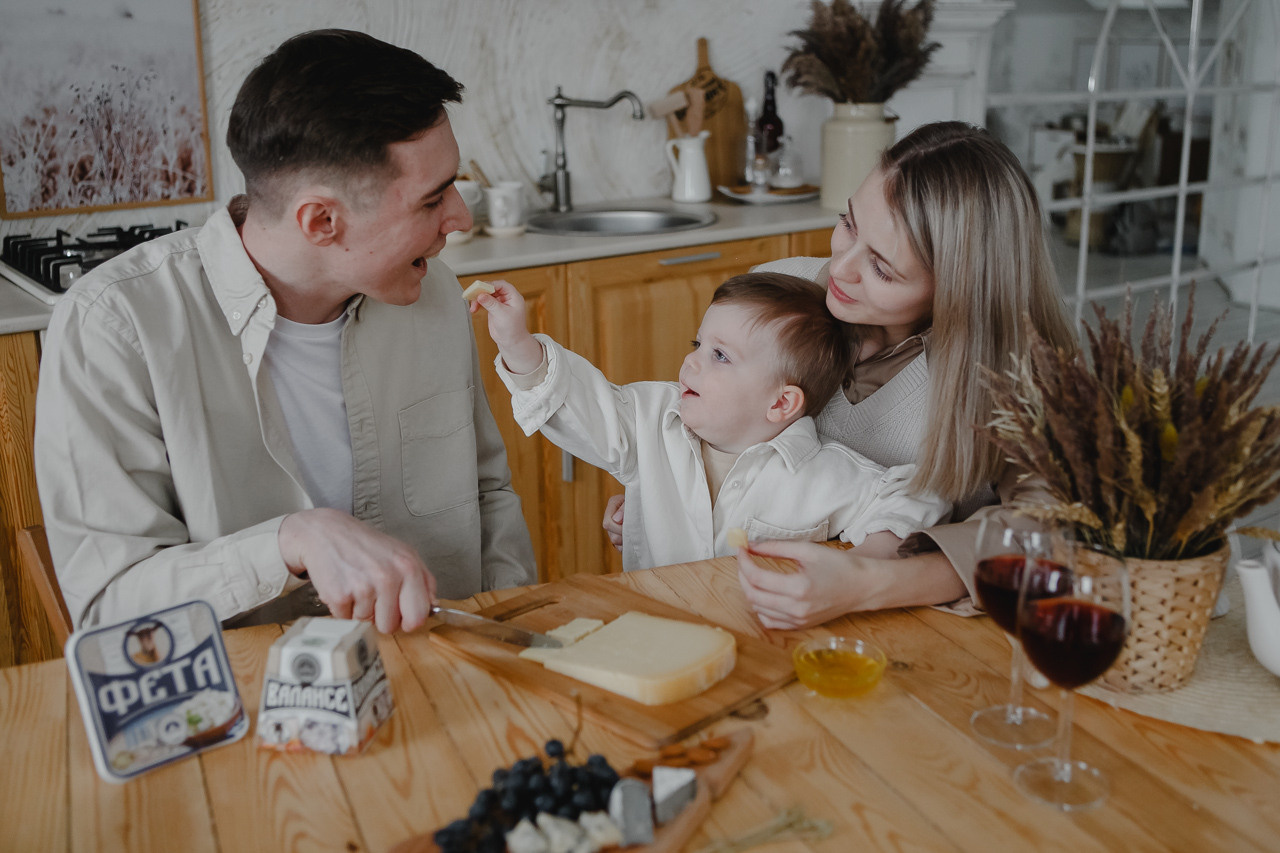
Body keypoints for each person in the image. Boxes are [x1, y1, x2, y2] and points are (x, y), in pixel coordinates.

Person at [34, 30, 536, 634]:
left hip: (446, 664)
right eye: (432, 201)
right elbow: (111, 604)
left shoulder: (434, 298)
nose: (459, 217)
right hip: (242, 700)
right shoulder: (114, 328)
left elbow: (489, 496)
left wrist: (512, 632)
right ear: (321, 220)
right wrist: (290, 540)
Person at [603, 121, 1076, 628]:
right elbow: (715, 415)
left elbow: (1055, 532)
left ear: (961, 287)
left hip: (910, 633)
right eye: (848, 223)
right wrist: (674, 484)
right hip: (740, 609)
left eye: (883, 268)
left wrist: (872, 581)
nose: (840, 269)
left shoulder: (1018, 375)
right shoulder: (786, 292)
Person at [473, 271, 950, 570]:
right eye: (696, 344)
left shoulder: (822, 474)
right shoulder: (651, 422)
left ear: (782, 405)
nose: (692, 363)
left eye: (720, 355)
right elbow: (579, 402)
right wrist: (517, 343)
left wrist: (855, 569)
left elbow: (913, 498)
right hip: (658, 634)